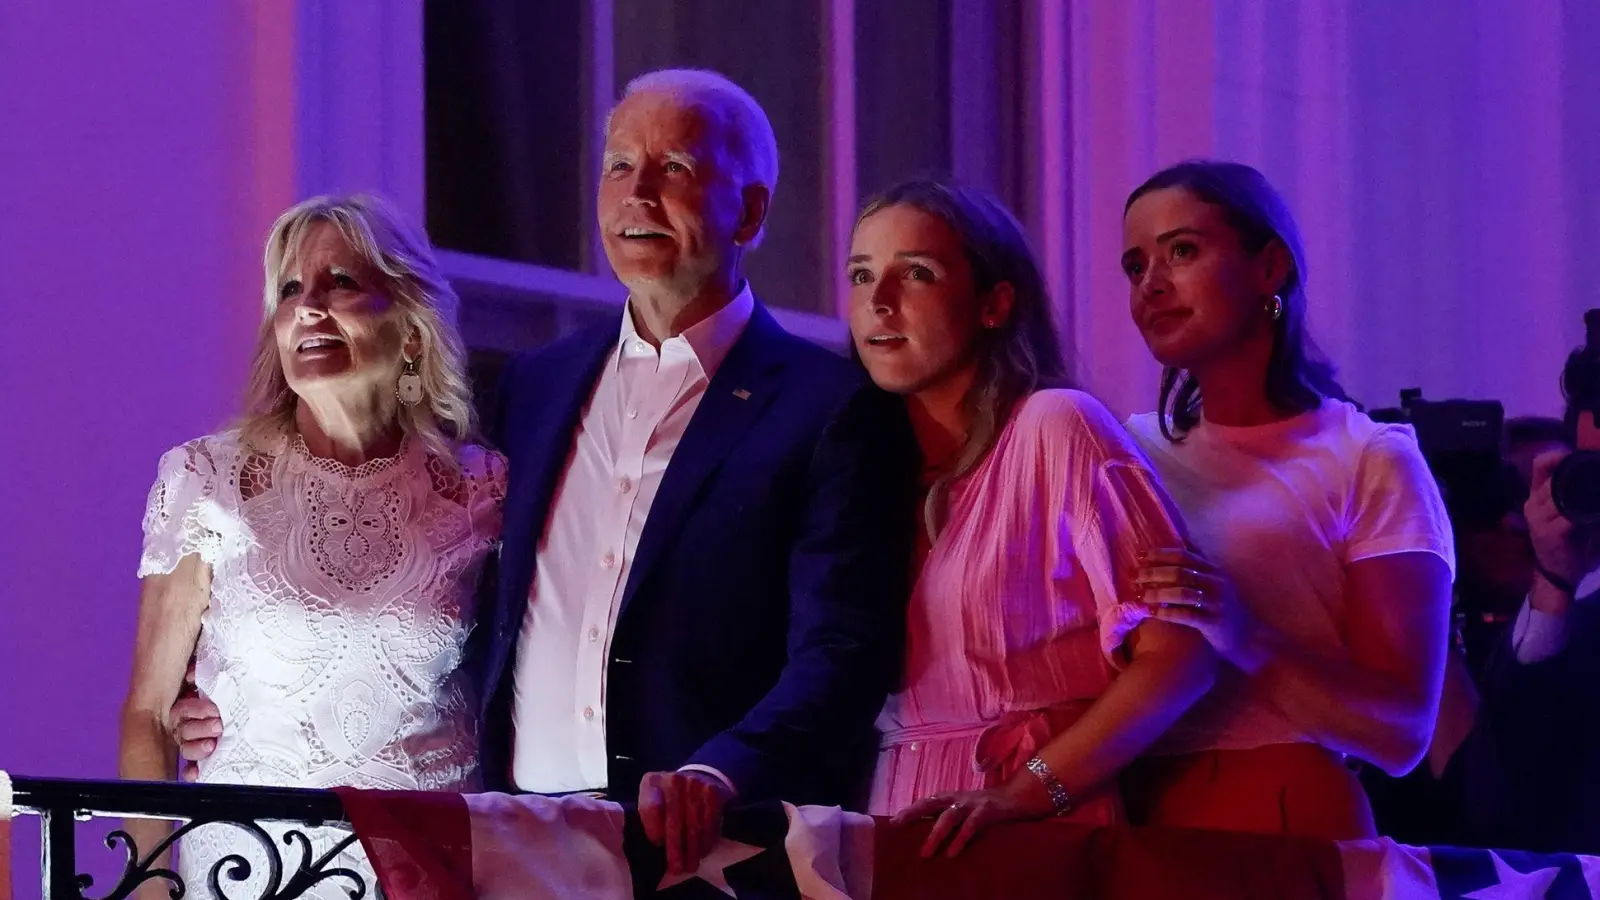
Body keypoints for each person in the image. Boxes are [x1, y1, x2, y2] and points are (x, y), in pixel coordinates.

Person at [468, 68, 916, 879]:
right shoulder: (533, 383)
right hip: (520, 839)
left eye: (674, 167)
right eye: (617, 165)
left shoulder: (831, 407)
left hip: (711, 854)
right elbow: (465, 598)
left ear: (750, 210)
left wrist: (721, 771)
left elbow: (841, 650)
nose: (637, 193)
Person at [123, 193, 505, 899]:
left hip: (425, 872)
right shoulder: (206, 479)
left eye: (342, 283)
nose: (308, 307)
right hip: (247, 871)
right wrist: (151, 887)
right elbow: (148, 711)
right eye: (291, 290)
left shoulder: (484, 490)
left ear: (412, 327)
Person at [845, 178, 1217, 857]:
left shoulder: (1057, 427)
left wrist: (1028, 790)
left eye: (916, 274)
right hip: (895, 823)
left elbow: (1182, 657)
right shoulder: (863, 472)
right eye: (861, 274)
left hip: (1030, 828)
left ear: (995, 302)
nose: (879, 301)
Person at [1116, 160, 1455, 840]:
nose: (1151, 284)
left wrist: (1244, 634)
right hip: (1127, 811)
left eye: (1182, 250)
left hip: (1283, 816)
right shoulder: (1124, 451)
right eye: (1134, 264)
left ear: (1270, 268)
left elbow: (1401, 733)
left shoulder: (1369, 456)